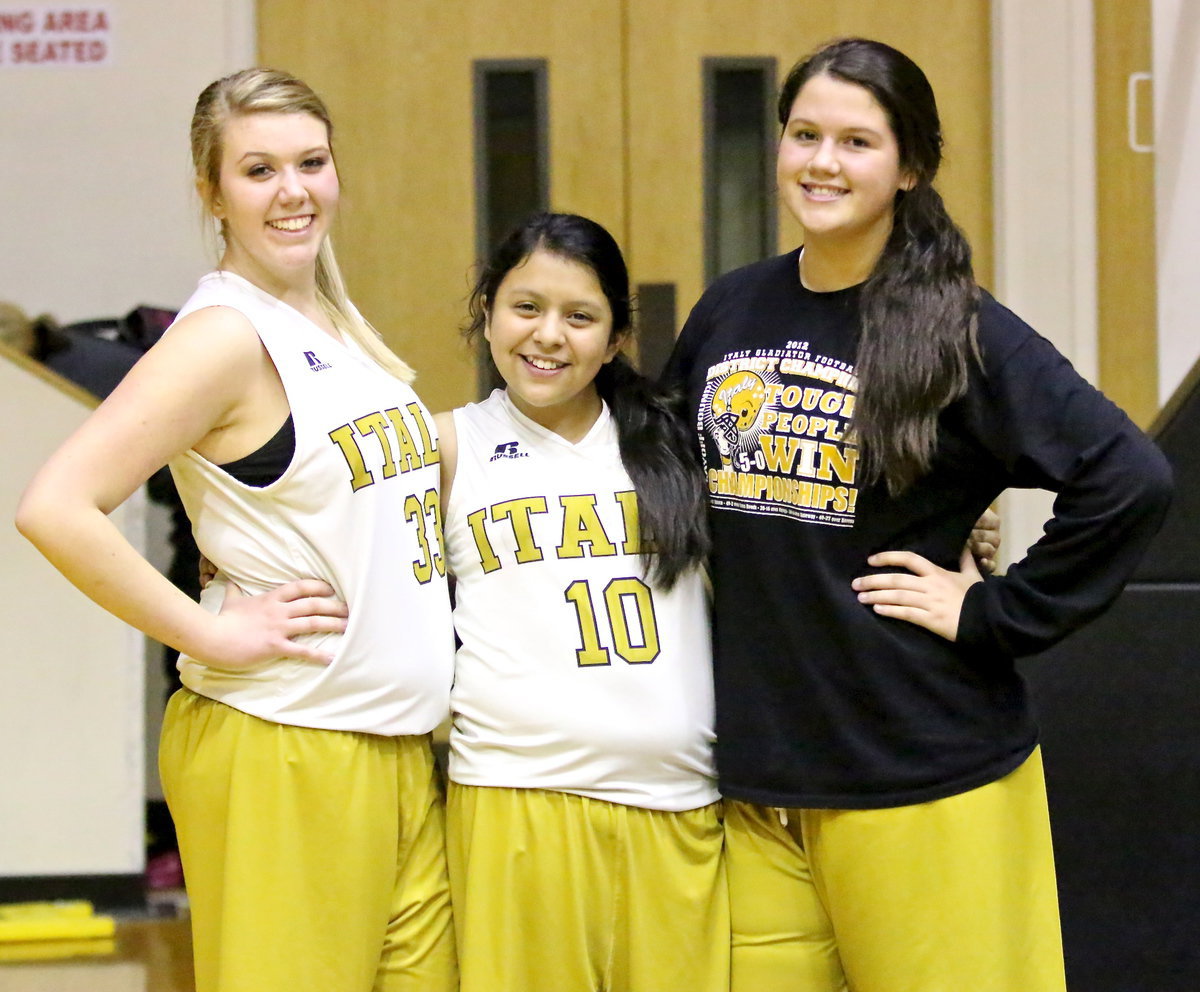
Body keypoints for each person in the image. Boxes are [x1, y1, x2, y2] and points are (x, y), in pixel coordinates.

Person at [661, 38, 1173, 992]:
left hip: (923, 774)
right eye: (805, 134)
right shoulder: (731, 309)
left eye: (857, 141)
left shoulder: (957, 327)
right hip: (762, 788)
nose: (822, 161)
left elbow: (1129, 477)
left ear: (910, 168)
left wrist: (992, 614)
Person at [16, 68, 456, 992]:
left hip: (397, 752)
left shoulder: (331, 318)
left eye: (311, 161)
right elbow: (54, 506)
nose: (293, 190)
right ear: (212, 193)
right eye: (259, 170)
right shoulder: (222, 335)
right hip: (285, 745)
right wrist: (208, 629)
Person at [435, 212, 725, 992]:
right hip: (515, 803)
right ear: (488, 312)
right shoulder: (446, 446)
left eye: (580, 316)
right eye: (526, 307)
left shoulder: (679, 445)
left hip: (679, 806)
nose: (548, 336)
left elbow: (803, 527)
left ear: (617, 337)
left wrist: (961, 523)